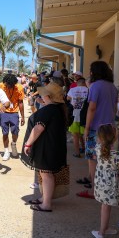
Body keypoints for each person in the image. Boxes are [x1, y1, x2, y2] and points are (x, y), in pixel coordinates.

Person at [21, 82, 68, 212]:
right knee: (46, 174)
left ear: (48, 96)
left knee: (46, 175)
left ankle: (46, 204)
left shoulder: (49, 110)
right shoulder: (57, 109)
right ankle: (44, 198)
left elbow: (38, 128)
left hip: (47, 149)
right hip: (53, 147)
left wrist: (28, 143)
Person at [78, 61, 118, 200]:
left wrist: (87, 128)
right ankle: (103, 187)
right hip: (110, 127)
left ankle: (95, 190)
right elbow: (114, 108)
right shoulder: (113, 87)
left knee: (92, 159)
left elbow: (92, 108)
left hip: (96, 128)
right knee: (105, 159)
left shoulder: (95, 86)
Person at [91, 124, 119, 238]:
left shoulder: (98, 148)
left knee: (105, 206)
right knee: (106, 207)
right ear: (114, 137)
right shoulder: (117, 155)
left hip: (101, 182)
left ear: (100, 137)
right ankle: (101, 232)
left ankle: (105, 227)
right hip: (111, 183)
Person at [0, 73, 25, 160]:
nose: (7, 86)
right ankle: (6, 151)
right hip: (4, 112)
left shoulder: (19, 88)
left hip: (14, 112)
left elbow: (21, 103)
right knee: (5, 132)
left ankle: (13, 143)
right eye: (6, 84)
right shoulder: (1, 86)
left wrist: (23, 116)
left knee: (15, 131)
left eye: (9, 85)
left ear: (14, 84)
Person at [67, 77, 88, 158]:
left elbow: (68, 98)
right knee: (85, 135)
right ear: (84, 83)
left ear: (77, 83)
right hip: (85, 116)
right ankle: (86, 151)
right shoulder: (88, 90)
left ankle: (77, 153)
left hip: (75, 115)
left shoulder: (73, 90)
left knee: (75, 135)